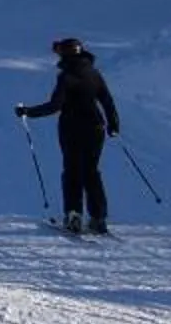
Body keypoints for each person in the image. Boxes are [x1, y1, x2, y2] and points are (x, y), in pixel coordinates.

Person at [17, 36, 121, 234]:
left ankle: (73, 215)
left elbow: (55, 106)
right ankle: (98, 218)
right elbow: (107, 101)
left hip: (72, 129)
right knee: (92, 172)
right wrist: (113, 125)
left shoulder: (66, 77)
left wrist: (27, 112)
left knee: (72, 171)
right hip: (96, 128)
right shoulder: (94, 73)